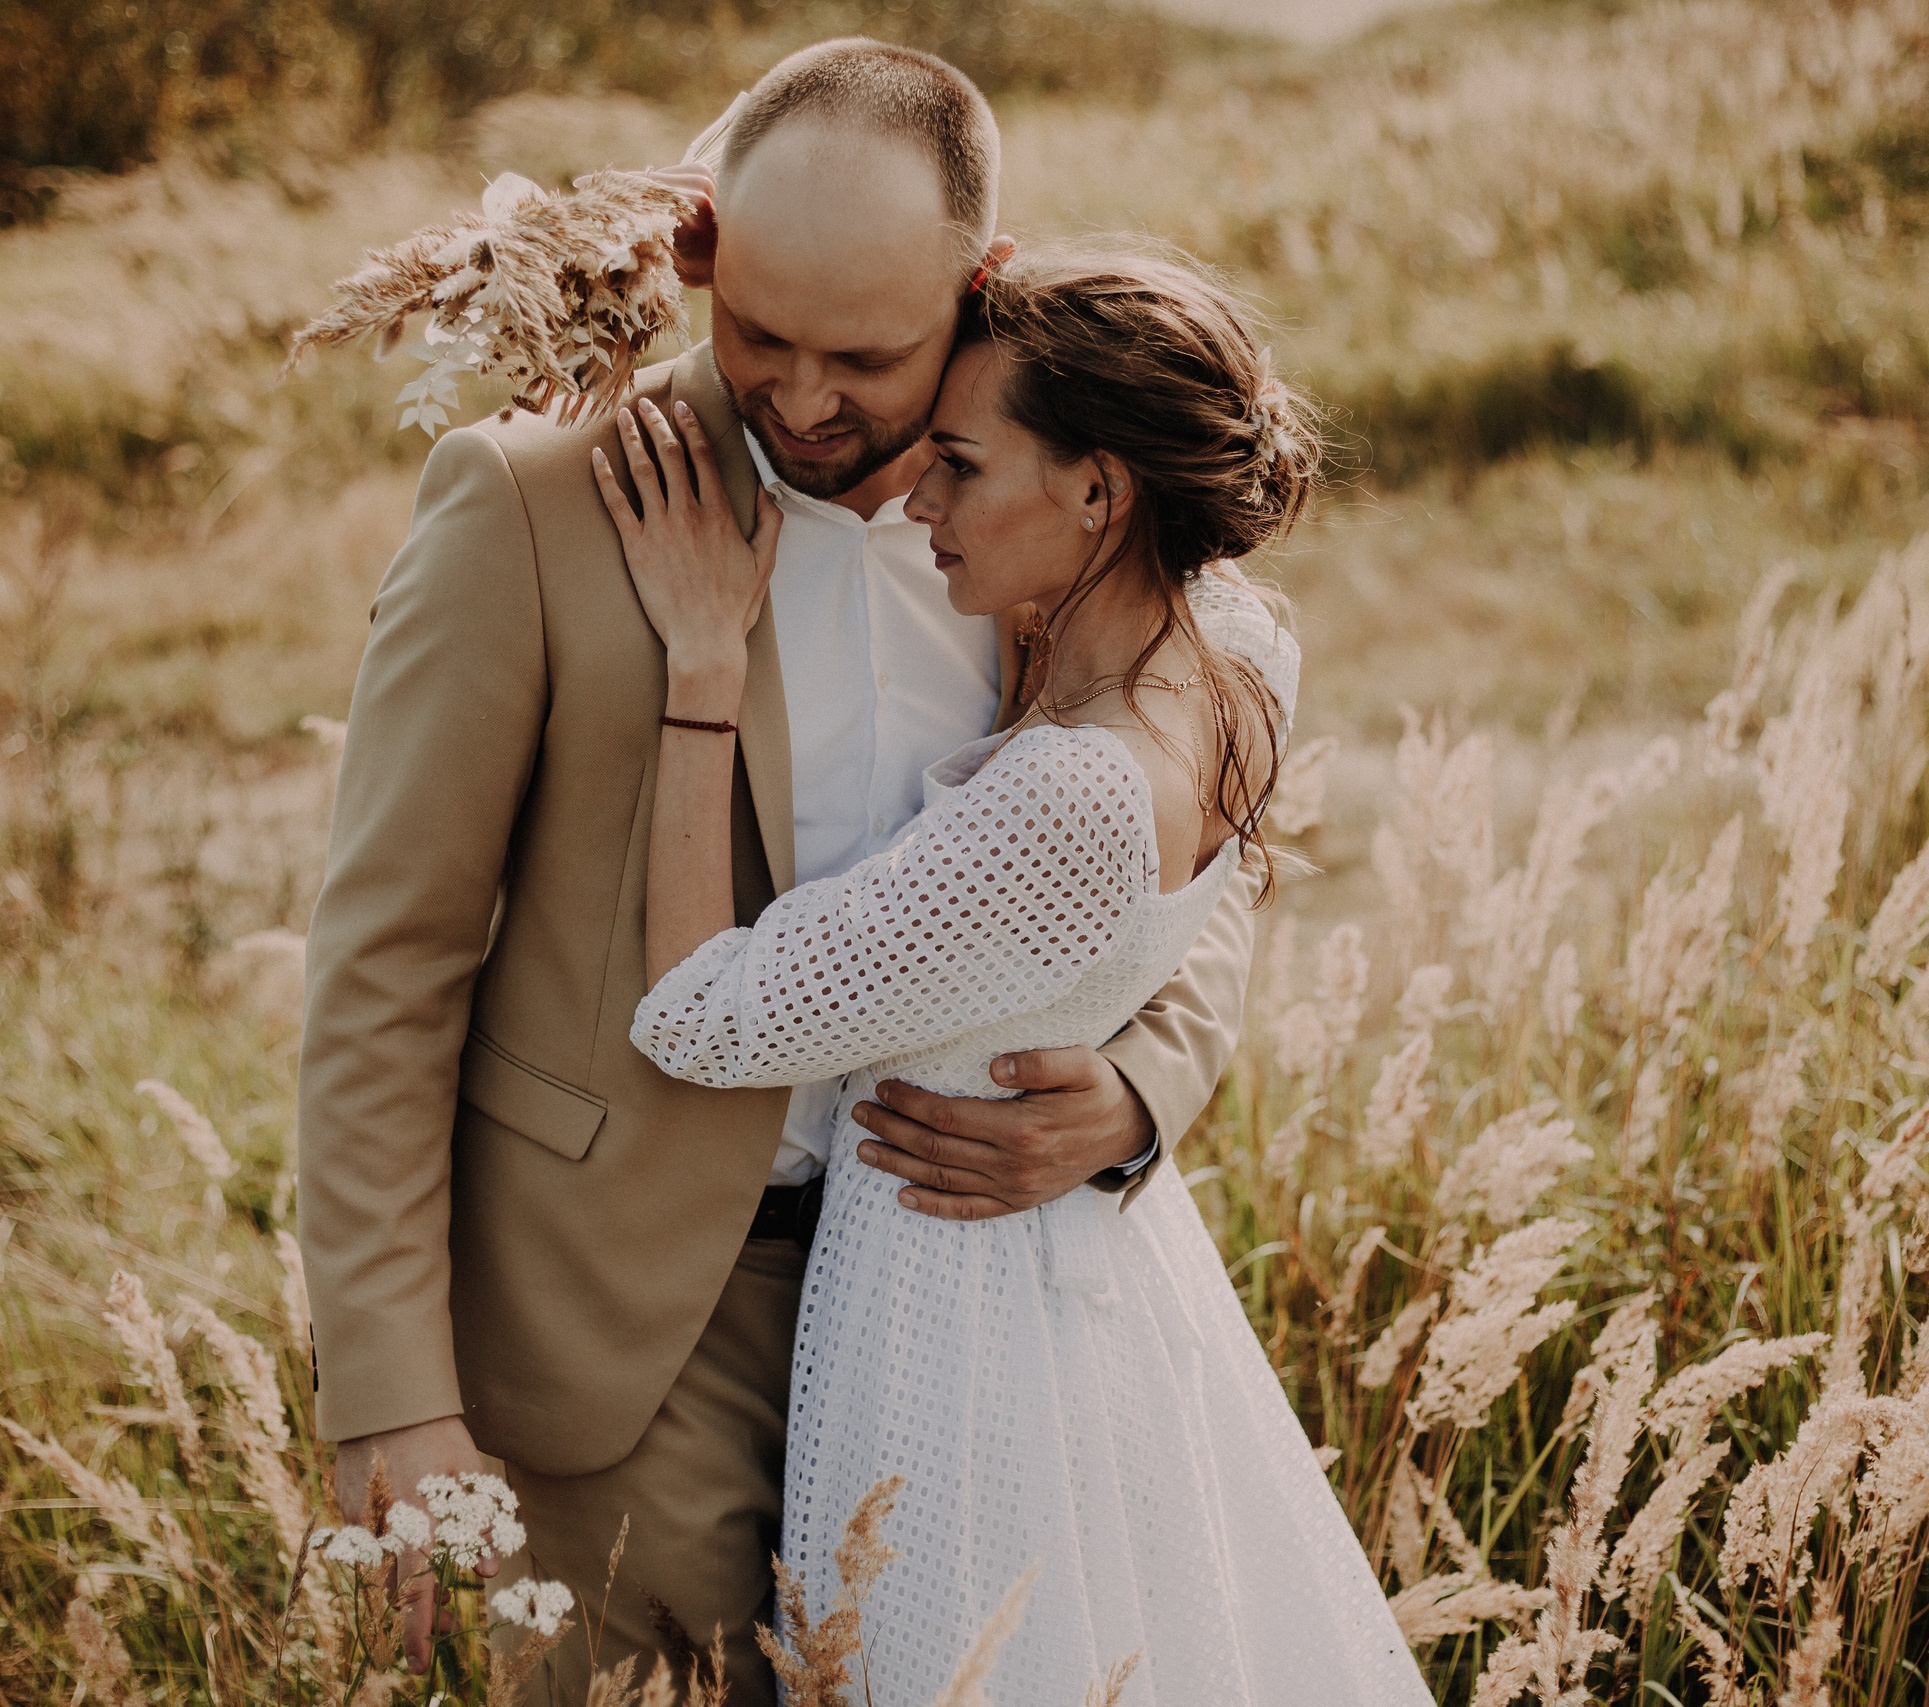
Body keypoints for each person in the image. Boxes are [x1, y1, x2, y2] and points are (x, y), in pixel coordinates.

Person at [295, 40, 1257, 1699]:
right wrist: (390, 1390)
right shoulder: (532, 505)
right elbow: (388, 967)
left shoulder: (1056, 513)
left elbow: (1203, 827)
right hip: (623, 1348)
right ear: (700, 257)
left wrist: (1143, 1086)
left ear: (984, 284)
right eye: (758, 336)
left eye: (867, 358)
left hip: (964, 1325)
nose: (804, 402)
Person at [604, 247, 1435, 1703]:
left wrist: (698, 666)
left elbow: (701, 1015)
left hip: (952, 1321)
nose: (919, 499)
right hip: (1093, 1281)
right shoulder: (1237, 649)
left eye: (963, 468)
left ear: (1101, 492)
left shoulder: (1064, 802)